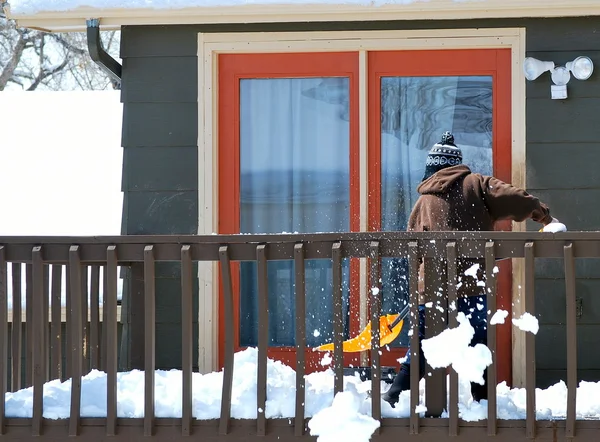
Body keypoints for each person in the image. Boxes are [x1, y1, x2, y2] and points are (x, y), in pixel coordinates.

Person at [382, 131, 560, 408]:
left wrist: (417, 288)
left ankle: (394, 397)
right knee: (477, 347)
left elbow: (412, 251)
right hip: (471, 288)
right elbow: (517, 199)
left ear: (432, 168)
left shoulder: (422, 202)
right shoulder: (476, 185)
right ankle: (483, 404)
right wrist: (544, 216)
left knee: (421, 347)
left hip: (431, 291)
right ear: (456, 164)